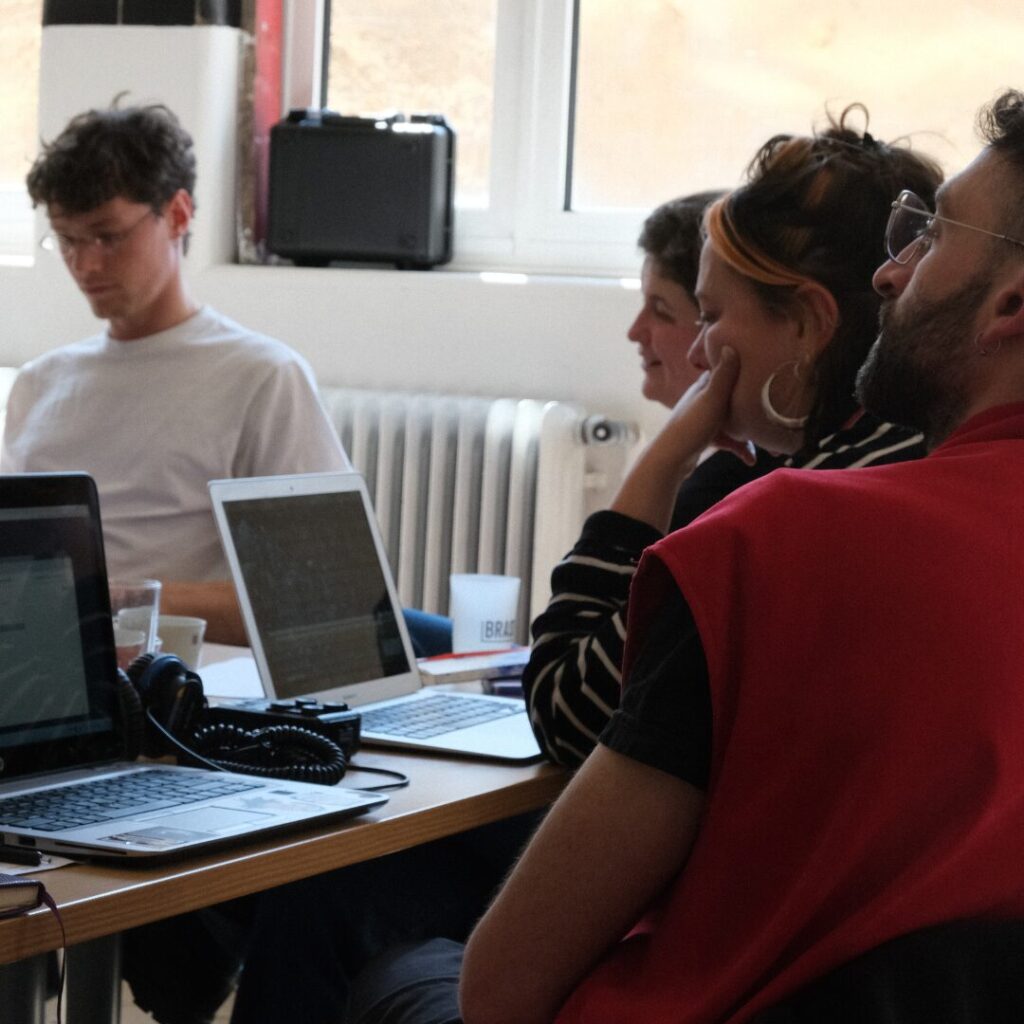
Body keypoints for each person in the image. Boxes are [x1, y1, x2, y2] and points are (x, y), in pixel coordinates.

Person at [346, 88, 1024, 1023]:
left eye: (934, 236)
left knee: (387, 958)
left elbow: (501, 989)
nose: (890, 273)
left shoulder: (788, 537)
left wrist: (666, 465)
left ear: (1011, 303)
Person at [524, 110, 941, 767]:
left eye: (711, 315)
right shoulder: (928, 453)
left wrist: (665, 457)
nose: (699, 353)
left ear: (808, 323)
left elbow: (565, 714)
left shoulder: (787, 518)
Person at [0, 101, 350, 645]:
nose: (85, 265)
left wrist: (103, 601)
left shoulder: (261, 377)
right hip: (43, 667)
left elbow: (321, 595)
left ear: (178, 215)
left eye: (107, 236)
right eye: (67, 239)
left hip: (180, 682)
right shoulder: (39, 385)